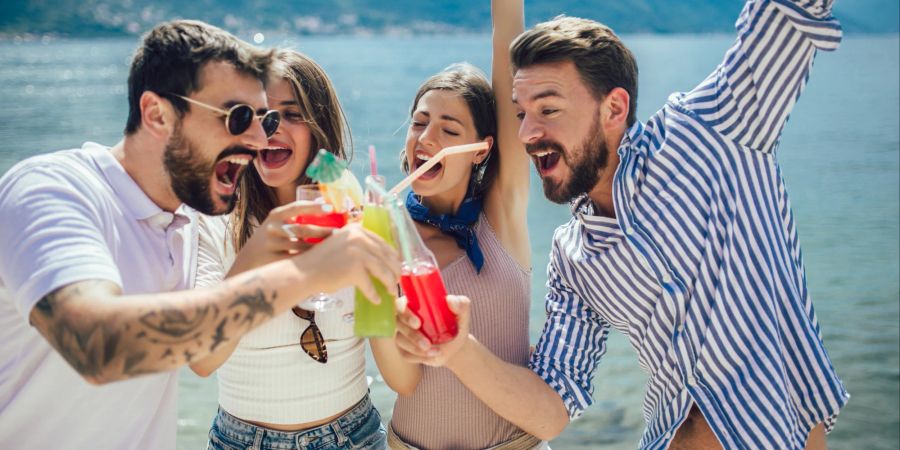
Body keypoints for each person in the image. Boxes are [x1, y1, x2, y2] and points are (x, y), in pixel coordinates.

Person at [395, 0, 849, 449]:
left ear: (614, 109)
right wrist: (456, 349)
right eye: (520, 113)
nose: (526, 134)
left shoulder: (711, 130)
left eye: (548, 110)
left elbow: (781, 16)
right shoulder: (574, 257)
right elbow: (553, 404)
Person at [0, 20, 399, 450]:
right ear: (157, 114)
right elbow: (96, 348)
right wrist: (302, 273)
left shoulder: (184, 224)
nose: (257, 139)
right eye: (239, 117)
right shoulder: (53, 190)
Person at [190, 48, 387, 450]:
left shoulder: (359, 218)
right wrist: (259, 250)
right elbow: (202, 360)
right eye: (258, 114)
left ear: (319, 126)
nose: (271, 128)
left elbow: (401, 374)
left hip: (352, 437)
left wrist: (389, 294)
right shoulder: (212, 222)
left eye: (292, 114)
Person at [372, 0, 540, 449]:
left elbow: (509, 50)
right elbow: (403, 381)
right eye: (419, 123)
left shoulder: (500, 214)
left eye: (449, 129)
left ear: (482, 149)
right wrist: (370, 284)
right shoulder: (386, 234)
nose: (426, 139)